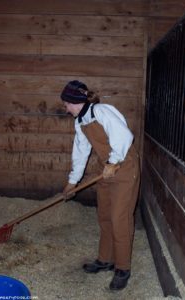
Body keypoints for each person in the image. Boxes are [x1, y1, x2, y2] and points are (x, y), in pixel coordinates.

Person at [61, 80, 140, 291]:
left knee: (119, 218)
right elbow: (80, 152)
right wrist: (72, 182)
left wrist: (114, 162)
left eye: (66, 104)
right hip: (105, 170)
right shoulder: (80, 122)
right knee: (104, 215)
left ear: (75, 101)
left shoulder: (102, 111)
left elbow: (123, 136)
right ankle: (105, 259)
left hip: (124, 166)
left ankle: (122, 268)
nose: (65, 108)